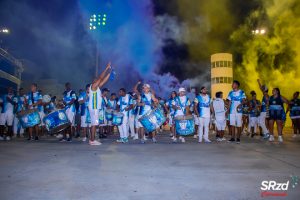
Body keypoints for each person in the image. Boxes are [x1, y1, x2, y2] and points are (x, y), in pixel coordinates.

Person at [88, 62, 112, 145]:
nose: (97, 80)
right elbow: (101, 78)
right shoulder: (93, 86)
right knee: (94, 124)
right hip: (94, 108)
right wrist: (106, 68)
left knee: (93, 124)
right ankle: (92, 140)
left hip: (94, 108)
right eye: (96, 80)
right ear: (93, 81)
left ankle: (92, 139)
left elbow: (104, 80)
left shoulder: (97, 88)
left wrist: (109, 73)